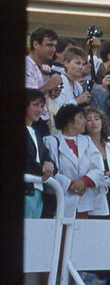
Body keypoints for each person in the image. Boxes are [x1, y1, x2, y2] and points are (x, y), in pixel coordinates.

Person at [44, 103, 104, 219]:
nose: (84, 121)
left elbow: (98, 168)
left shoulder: (87, 141)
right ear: (70, 121)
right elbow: (50, 171)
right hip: (60, 202)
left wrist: (84, 182)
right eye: (81, 117)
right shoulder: (51, 141)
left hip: (84, 204)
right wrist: (70, 184)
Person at [24, 89, 56, 219]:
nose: (39, 110)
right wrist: (43, 169)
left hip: (38, 190)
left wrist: (49, 164)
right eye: (35, 105)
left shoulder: (36, 132)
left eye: (42, 106)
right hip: (25, 190)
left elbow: (46, 156)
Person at [25, 27, 62, 134]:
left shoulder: (41, 67)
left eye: (55, 46)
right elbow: (28, 98)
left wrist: (51, 93)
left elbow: (41, 94)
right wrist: (50, 85)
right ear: (36, 44)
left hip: (42, 120)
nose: (53, 49)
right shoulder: (26, 65)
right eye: (49, 45)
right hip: (30, 122)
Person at [51, 45, 94, 111]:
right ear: (66, 63)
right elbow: (58, 108)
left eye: (83, 64)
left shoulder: (78, 86)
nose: (81, 67)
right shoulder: (60, 81)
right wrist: (77, 101)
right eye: (77, 63)